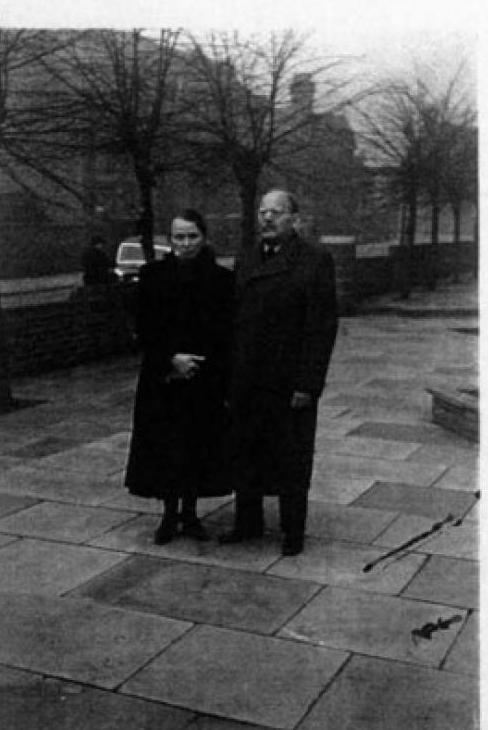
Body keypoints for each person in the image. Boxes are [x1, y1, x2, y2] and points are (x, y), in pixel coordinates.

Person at [220, 189, 339, 556]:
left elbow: (322, 327)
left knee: (291, 457)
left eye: (277, 212)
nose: (268, 219)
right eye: (263, 212)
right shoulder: (246, 258)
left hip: (287, 379)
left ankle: (292, 531)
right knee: (247, 450)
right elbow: (234, 321)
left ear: (294, 219)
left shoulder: (314, 260)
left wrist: (308, 383)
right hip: (248, 377)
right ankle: (248, 522)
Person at [124, 209, 235, 544]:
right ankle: (169, 514)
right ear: (170, 240)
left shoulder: (221, 279)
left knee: (197, 445)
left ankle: (191, 512)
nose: (185, 244)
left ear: (204, 238)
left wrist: (202, 364)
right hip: (163, 376)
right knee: (165, 445)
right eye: (178, 237)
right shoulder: (153, 275)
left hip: (204, 378)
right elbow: (143, 327)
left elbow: (226, 330)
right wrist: (171, 359)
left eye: (192, 237)